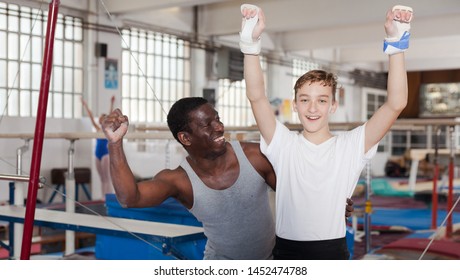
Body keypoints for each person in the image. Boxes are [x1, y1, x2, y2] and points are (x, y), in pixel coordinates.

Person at [241, 4, 412, 259]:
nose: (312, 108)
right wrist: (251, 46)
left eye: (321, 100)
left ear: (333, 106)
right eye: (305, 99)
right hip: (287, 252)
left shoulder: (351, 145)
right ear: (296, 104)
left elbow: (395, 103)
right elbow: (257, 97)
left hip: (332, 251)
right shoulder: (283, 144)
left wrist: (396, 43)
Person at [101, 97, 354, 260]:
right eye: (207, 125)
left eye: (218, 120)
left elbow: (297, 195)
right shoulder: (179, 180)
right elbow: (128, 198)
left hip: (271, 261)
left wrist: (330, 206)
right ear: (185, 138)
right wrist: (115, 143)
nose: (219, 128)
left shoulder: (254, 156)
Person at [81, 95, 115, 199]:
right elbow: (91, 117)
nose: (100, 118)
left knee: (106, 178)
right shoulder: (97, 128)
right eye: (100, 117)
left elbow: (109, 115)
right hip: (97, 155)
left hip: (105, 154)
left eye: (102, 117)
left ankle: (108, 197)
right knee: (102, 178)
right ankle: (103, 197)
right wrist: (85, 106)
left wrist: (111, 103)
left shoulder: (107, 128)